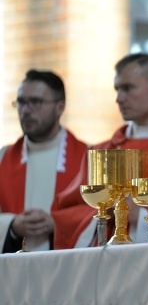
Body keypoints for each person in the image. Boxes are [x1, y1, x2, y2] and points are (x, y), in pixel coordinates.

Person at [52, 53, 148, 248]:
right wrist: (105, 211)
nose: (119, 98)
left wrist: (142, 215)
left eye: (128, 88)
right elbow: (67, 214)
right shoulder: (101, 152)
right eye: (117, 89)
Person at [0, 70, 88, 253]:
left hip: (68, 269)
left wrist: (60, 224)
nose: (25, 110)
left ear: (60, 107)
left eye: (36, 102)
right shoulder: (3, 157)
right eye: (22, 102)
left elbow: (100, 215)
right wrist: (12, 225)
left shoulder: (87, 156)